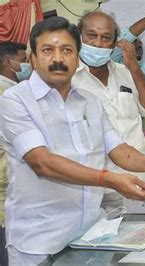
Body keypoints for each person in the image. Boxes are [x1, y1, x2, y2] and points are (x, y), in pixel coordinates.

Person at [0, 17, 145, 265]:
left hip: (91, 235)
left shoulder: (89, 101)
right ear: (33, 59)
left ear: (76, 57)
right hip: (40, 241)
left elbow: (119, 150)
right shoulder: (15, 101)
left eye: (67, 50)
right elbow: (42, 162)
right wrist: (109, 179)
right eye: (48, 50)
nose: (58, 58)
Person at [73, 11, 145, 210]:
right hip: (100, 187)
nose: (97, 43)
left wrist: (135, 68)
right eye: (91, 35)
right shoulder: (68, 80)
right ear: (79, 37)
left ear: (114, 44)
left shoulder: (126, 72)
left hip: (142, 180)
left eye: (105, 37)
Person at [0, 41, 31, 266]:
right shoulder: (6, 95)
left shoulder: (15, 91)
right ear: (10, 63)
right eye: (24, 60)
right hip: (6, 187)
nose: (29, 65)